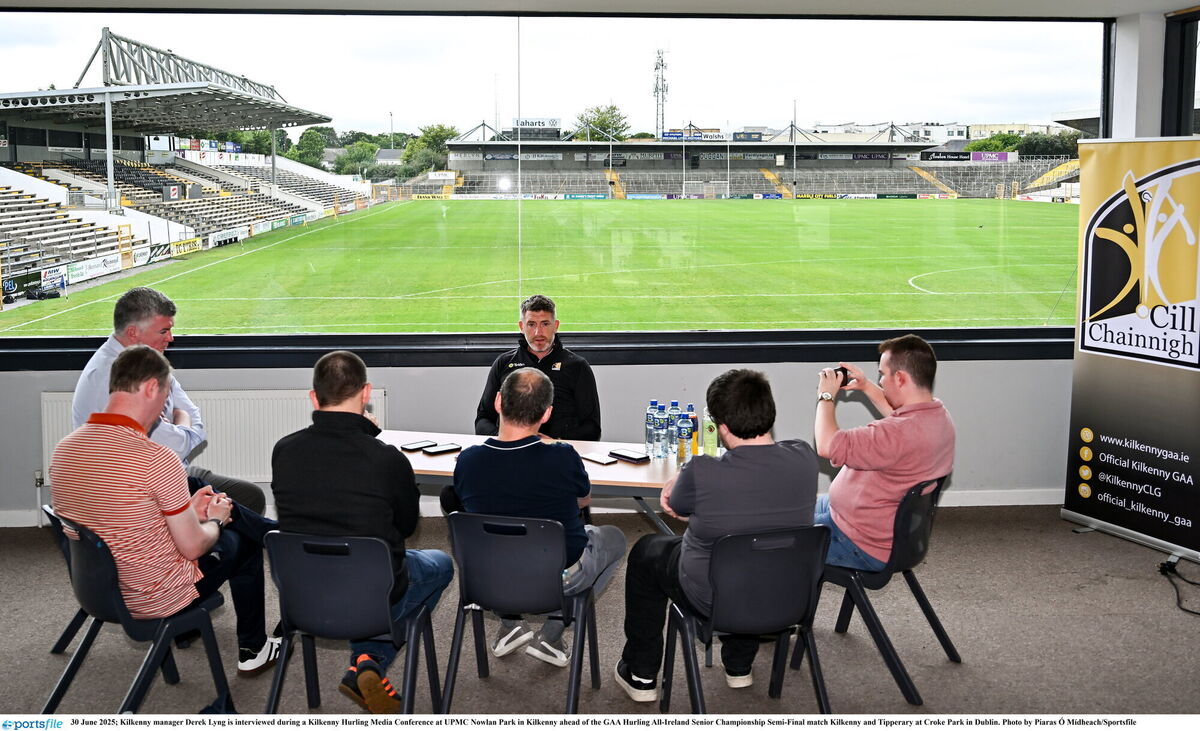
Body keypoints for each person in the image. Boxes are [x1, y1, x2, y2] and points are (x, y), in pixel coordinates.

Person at [50, 345, 281, 678]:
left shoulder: (66, 449)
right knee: (240, 543)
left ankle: (271, 535)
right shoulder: (155, 458)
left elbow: (118, 515)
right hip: (152, 597)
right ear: (150, 388)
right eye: (166, 396)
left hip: (97, 589)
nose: (165, 409)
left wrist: (188, 510)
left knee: (218, 517)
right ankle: (253, 650)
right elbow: (194, 547)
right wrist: (214, 519)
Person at [614, 369, 817, 702]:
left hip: (713, 594)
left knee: (647, 551)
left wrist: (684, 480)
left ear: (721, 427)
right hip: (786, 591)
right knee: (754, 549)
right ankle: (739, 666)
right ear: (770, 412)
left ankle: (641, 673)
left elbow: (677, 505)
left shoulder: (702, 470)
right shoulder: (804, 457)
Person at [271, 350, 454, 714]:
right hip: (375, 589)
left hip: (303, 594)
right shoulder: (386, 459)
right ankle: (370, 658)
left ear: (313, 397)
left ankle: (366, 660)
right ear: (366, 393)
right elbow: (406, 528)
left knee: (365, 566)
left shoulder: (284, 451)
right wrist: (371, 433)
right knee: (440, 563)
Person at [453, 367, 626, 667]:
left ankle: (510, 624)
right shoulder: (562, 455)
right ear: (547, 414)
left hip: (489, 578)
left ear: (497, 402)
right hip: (560, 579)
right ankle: (554, 628)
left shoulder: (467, 461)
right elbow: (583, 498)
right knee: (616, 538)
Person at [71, 287, 266, 514]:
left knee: (249, 498)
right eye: (163, 331)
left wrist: (178, 424)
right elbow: (176, 447)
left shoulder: (144, 361)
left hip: (166, 475)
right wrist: (182, 424)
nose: (170, 339)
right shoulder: (110, 374)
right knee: (245, 506)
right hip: (141, 491)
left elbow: (191, 413)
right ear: (133, 333)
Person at [813, 333, 956, 571]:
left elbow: (827, 444)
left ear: (899, 378)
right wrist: (867, 386)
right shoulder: (937, 417)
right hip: (869, 524)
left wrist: (826, 396)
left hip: (857, 540)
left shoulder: (893, 434)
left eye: (882, 375)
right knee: (789, 512)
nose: (880, 381)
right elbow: (898, 416)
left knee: (776, 538)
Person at [474, 294, 601, 440]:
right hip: (510, 451)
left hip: (556, 454)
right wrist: (506, 440)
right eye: (531, 324)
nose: (538, 333)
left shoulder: (577, 366)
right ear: (522, 326)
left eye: (545, 324)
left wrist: (554, 443)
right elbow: (483, 419)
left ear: (556, 326)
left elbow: (592, 427)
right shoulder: (503, 363)